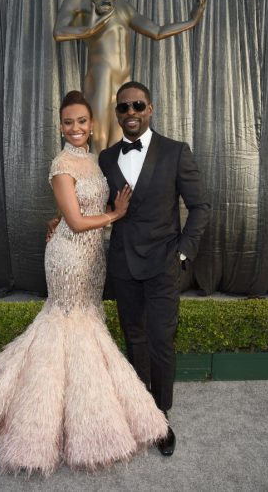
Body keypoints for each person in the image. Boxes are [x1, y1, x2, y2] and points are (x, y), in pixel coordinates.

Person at [0, 90, 168, 477]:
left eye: (82, 122)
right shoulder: (61, 163)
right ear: (60, 126)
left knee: (86, 318)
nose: (75, 128)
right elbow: (76, 221)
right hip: (68, 257)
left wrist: (59, 216)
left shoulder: (92, 159)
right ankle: (47, 420)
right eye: (68, 122)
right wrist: (115, 214)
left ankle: (79, 409)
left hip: (92, 258)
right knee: (67, 323)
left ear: (91, 125)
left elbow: (71, 207)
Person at [98, 80, 211, 455]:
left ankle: (161, 417)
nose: (131, 113)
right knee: (135, 337)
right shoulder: (106, 157)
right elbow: (95, 207)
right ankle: (140, 408)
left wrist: (182, 253)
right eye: (124, 107)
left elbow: (200, 208)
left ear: (150, 109)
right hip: (123, 265)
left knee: (162, 341)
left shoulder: (176, 152)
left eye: (138, 106)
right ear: (117, 113)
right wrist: (59, 220)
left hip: (164, 263)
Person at [54, 0, 210, 153]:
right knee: (98, 139)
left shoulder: (123, 6)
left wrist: (193, 19)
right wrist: (88, 30)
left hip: (124, 83)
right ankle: (95, 187)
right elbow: (59, 32)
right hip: (101, 78)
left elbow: (156, 31)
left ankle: (118, 187)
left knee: (121, 142)